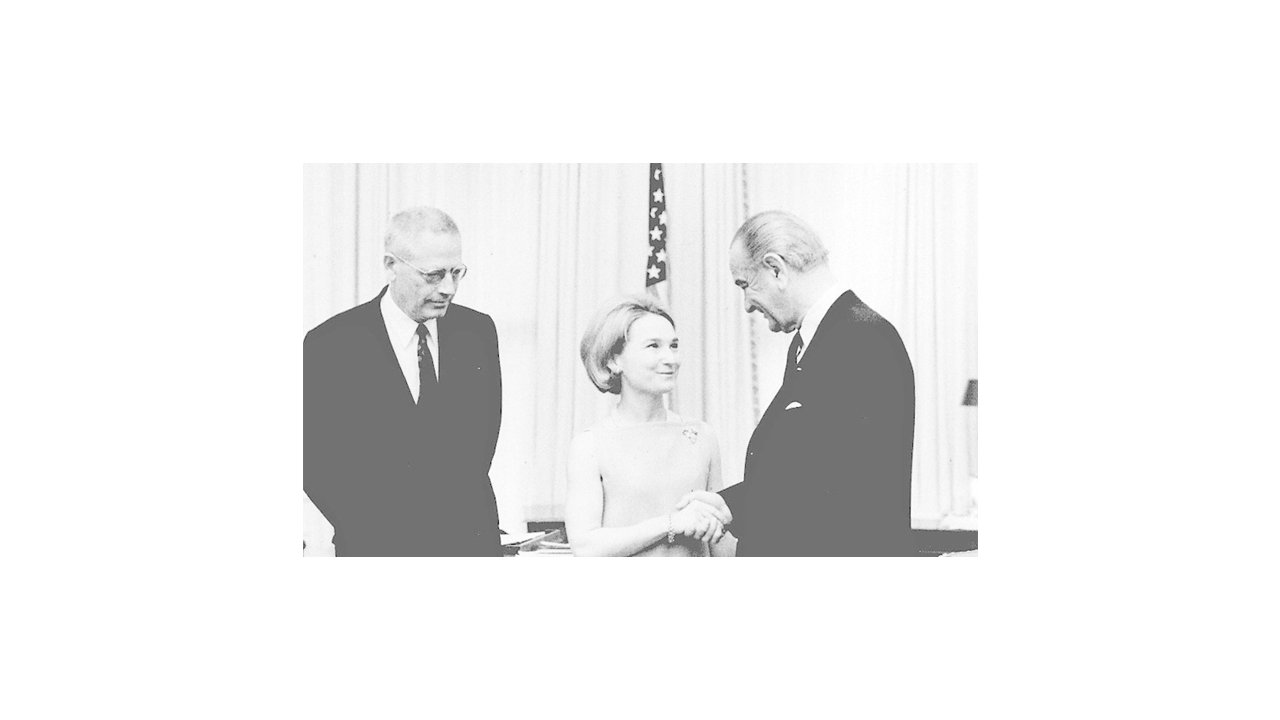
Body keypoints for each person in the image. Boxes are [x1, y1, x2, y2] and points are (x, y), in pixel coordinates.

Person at [679, 210, 916, 556]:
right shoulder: (816, 340)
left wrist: (735, 507)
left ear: (776, 269)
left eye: (745, 285)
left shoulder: (863, 338)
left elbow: (840, 488)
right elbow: (807, 469)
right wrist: (728, 505)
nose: (747, 306)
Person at [304, 207, 503, 556]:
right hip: (376, 547)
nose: (448, 288)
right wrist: (370, 528)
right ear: (391, 266)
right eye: (433, 275)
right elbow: (314, 462)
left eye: (456, 273)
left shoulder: (478, 332)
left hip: (470, 544)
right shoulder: (331, 344)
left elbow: (482, 443)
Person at [564, 296, 733, 557]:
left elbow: (721, 546)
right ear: (613, 360)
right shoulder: (589, 446)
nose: (671, 359)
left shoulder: (702, 436)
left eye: (673, 346)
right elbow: (586, 547)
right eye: (653, 346)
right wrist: (671, 524)